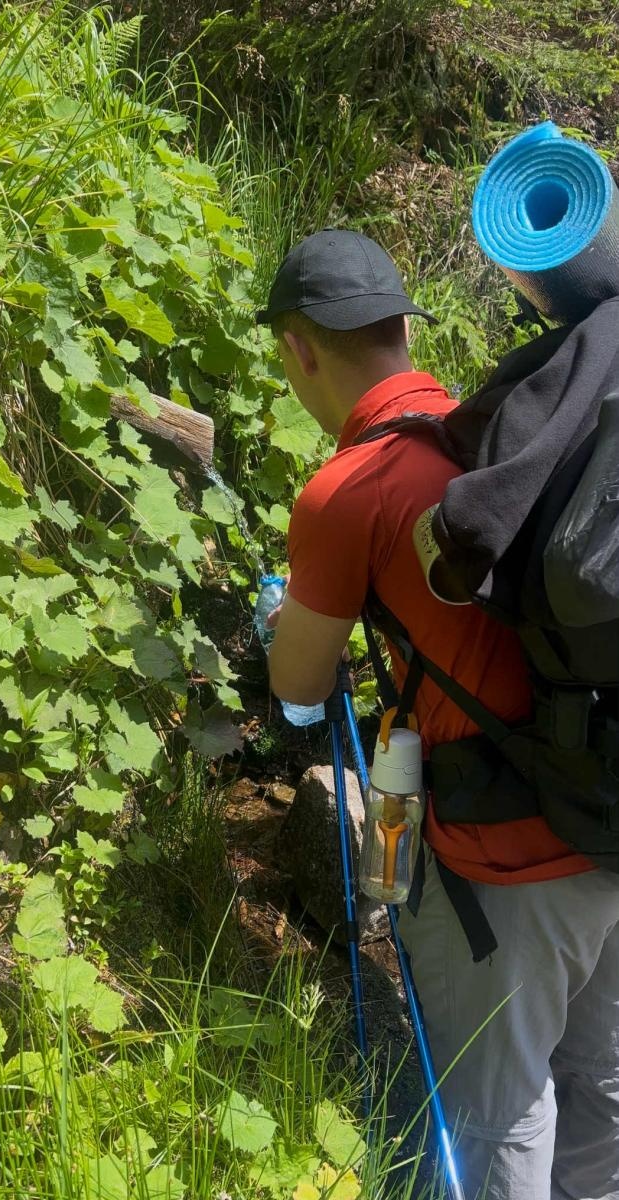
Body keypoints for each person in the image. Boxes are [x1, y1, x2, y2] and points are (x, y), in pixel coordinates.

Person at [256, 228, 619, 1200]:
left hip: (503, 868)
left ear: (298, 348)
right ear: (404, 330)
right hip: (608, 810)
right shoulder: (500, 429)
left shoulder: (347, 493)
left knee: (496, 1116)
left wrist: (282, 621)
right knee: (603, 1091)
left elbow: (298, 695)